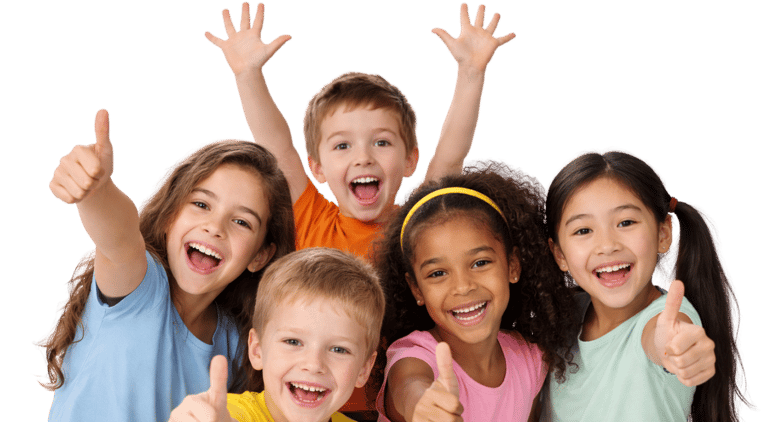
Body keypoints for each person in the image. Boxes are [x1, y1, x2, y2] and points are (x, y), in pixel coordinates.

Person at [204, 1, 518, 258]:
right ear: (317, 167)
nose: (363, 157)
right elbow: (277, 146)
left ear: (410, 160)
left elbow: (450, 157)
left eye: (381, 142)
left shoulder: (415, 222)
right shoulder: (311, 219)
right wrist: (247, 75)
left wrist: (472, 72)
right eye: (342, 146)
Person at [40, 109, 296, 421]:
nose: (215, 227)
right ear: (170, 217)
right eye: (201, 204)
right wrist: (97, 191)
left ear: (259, 256)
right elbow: (120, 239)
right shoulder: (141, 285)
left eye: (241, 221)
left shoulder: (235, 344)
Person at [542, 148, 736, 421]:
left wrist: (679, 350)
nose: (607, 245)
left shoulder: (664, 321)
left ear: (663, 233)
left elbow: (663, 340)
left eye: (626, 222)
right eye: (583, 230)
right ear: (559, 254)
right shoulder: (564, 316)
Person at [374, 172, 579, 422]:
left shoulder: (530, 358)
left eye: (480, 263)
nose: (463, 286)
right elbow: (409, 387)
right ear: (416, 289)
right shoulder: (414, 356)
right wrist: (423, 404)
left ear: (512, 265)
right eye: (438, 273)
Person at [168, 247, 386, 422]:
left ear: (363, 369)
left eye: (339, 349)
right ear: (257, 350)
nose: (313, 364)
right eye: (293, 341)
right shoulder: (231, 414)